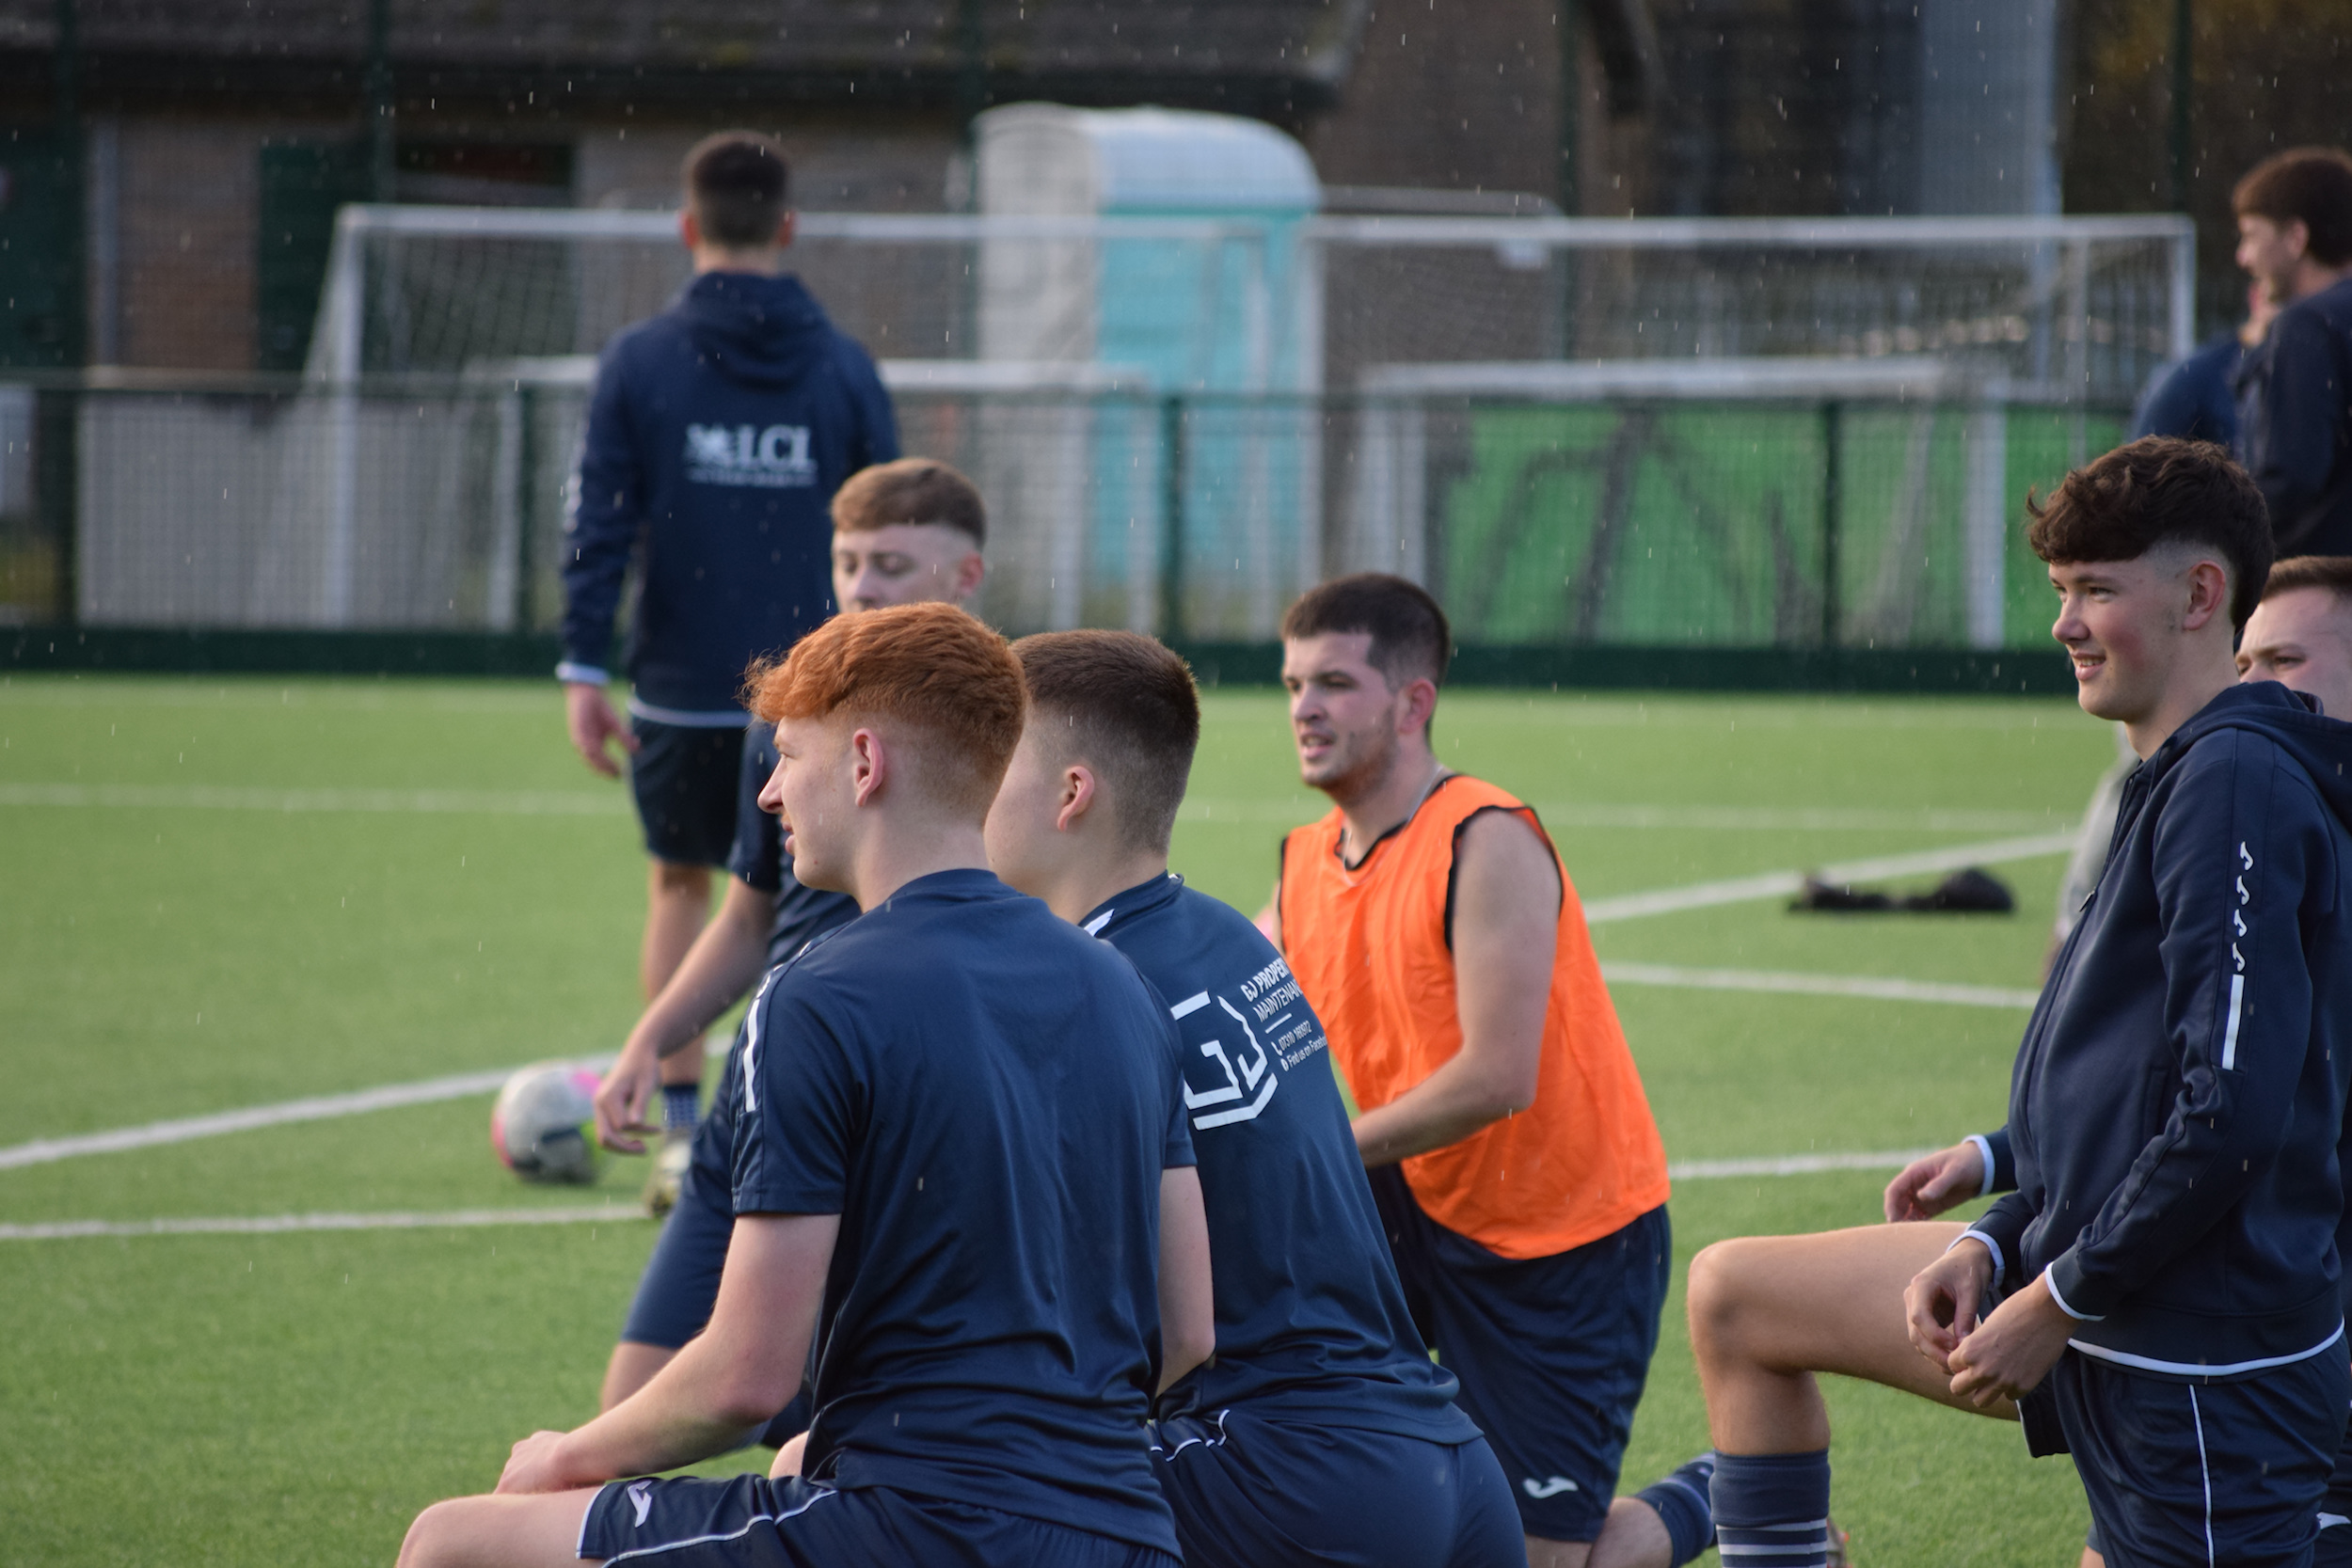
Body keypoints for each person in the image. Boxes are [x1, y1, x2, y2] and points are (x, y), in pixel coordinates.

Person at [398, 602, 1214, 1568]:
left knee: (450, 1539)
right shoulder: (1123, 984)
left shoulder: (815, 994)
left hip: (917, 1524)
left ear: (865, 763)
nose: (771, 792)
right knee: (789, 1471)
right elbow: (1187, 1331)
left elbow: (745, 1373)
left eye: (789, 754)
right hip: (1127, 1533)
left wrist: (563, 1453)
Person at [1694, 437, 2352, 1568]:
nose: (2065, 625)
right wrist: (2004, 1227)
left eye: (2097, 589)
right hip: (2140, 1333)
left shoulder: (2233, 781)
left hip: (2195, 1364)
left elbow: (2233, 1111)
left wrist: (2053, 1295)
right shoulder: (2184, 775)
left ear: (2202, 596)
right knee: (1737, 1293)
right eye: (2061, 592)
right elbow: (2152, 1090)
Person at [980, 627, 1523, 1568]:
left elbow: (1164, 1338)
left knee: (922, 1501)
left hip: (1289, 1471)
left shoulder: (1086, 989)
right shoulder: (1223, 933)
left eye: (988, 762)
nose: (963, 786)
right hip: (1445, 1458)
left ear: (1071, 793)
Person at [1261, 574, 1712, 1568]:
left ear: (1412, 701)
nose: (1303, 707)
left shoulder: (1484, 833)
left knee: (1538, 1559)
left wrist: (1314, 1151)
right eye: (1292, 682)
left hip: (1561, 1236)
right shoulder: (1305, 860)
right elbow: (1217, 998)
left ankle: (1729, 1489)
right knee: (1281, 1428)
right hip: (1415, 1208)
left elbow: (1495, 1076)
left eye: (1333, 681)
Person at [589, 457, 987, 1413]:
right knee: (629, 1405)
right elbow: (747, 916)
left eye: (891, 563)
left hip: (886, 1097)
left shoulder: (995, 724)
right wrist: (653, 1039)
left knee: (829, 1425)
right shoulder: (789, 711)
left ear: (965, 575)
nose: (862, 584)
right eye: (849, 560)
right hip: (760, 1082)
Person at [556, 129, 897, 1208]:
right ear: (788, 229)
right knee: (840, 897)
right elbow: (890, 516)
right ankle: (851, 1110)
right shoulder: (843, 364)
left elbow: (596, 520)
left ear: (685, 227)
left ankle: (683, 1128)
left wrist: (581, 663)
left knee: (685, 883)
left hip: (683, 679)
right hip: (822, 692)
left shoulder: (640, 361)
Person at [2233, 148, 2352, 558]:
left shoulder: (2308, 324)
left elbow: (2294, 476)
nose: (2243, 256)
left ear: (2296, 238)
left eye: (2251, 235)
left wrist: (2221, 538)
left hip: (2325, 587)